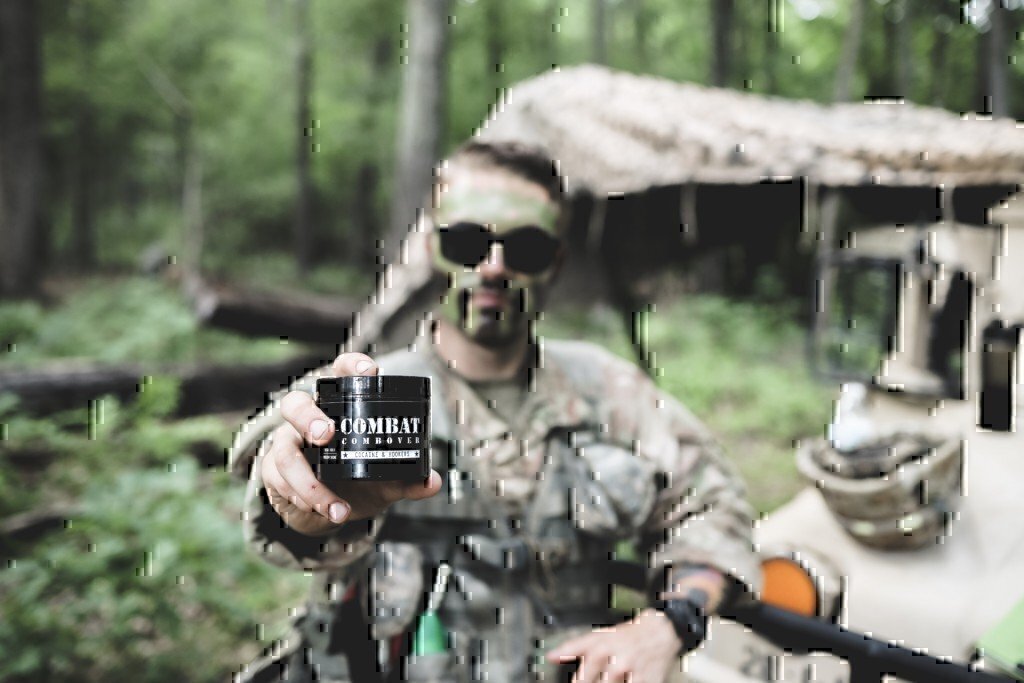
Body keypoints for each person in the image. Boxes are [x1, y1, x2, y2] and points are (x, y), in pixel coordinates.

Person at [229, 141, 760, 682]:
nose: (494, 268)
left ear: (555, 261)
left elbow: (712, 505)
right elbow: (280, 467)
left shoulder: (608, 393)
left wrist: (668, 624)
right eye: (467, 242)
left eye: (524, 248)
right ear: (431, 248)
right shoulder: (368, 394)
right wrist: (305, 503)